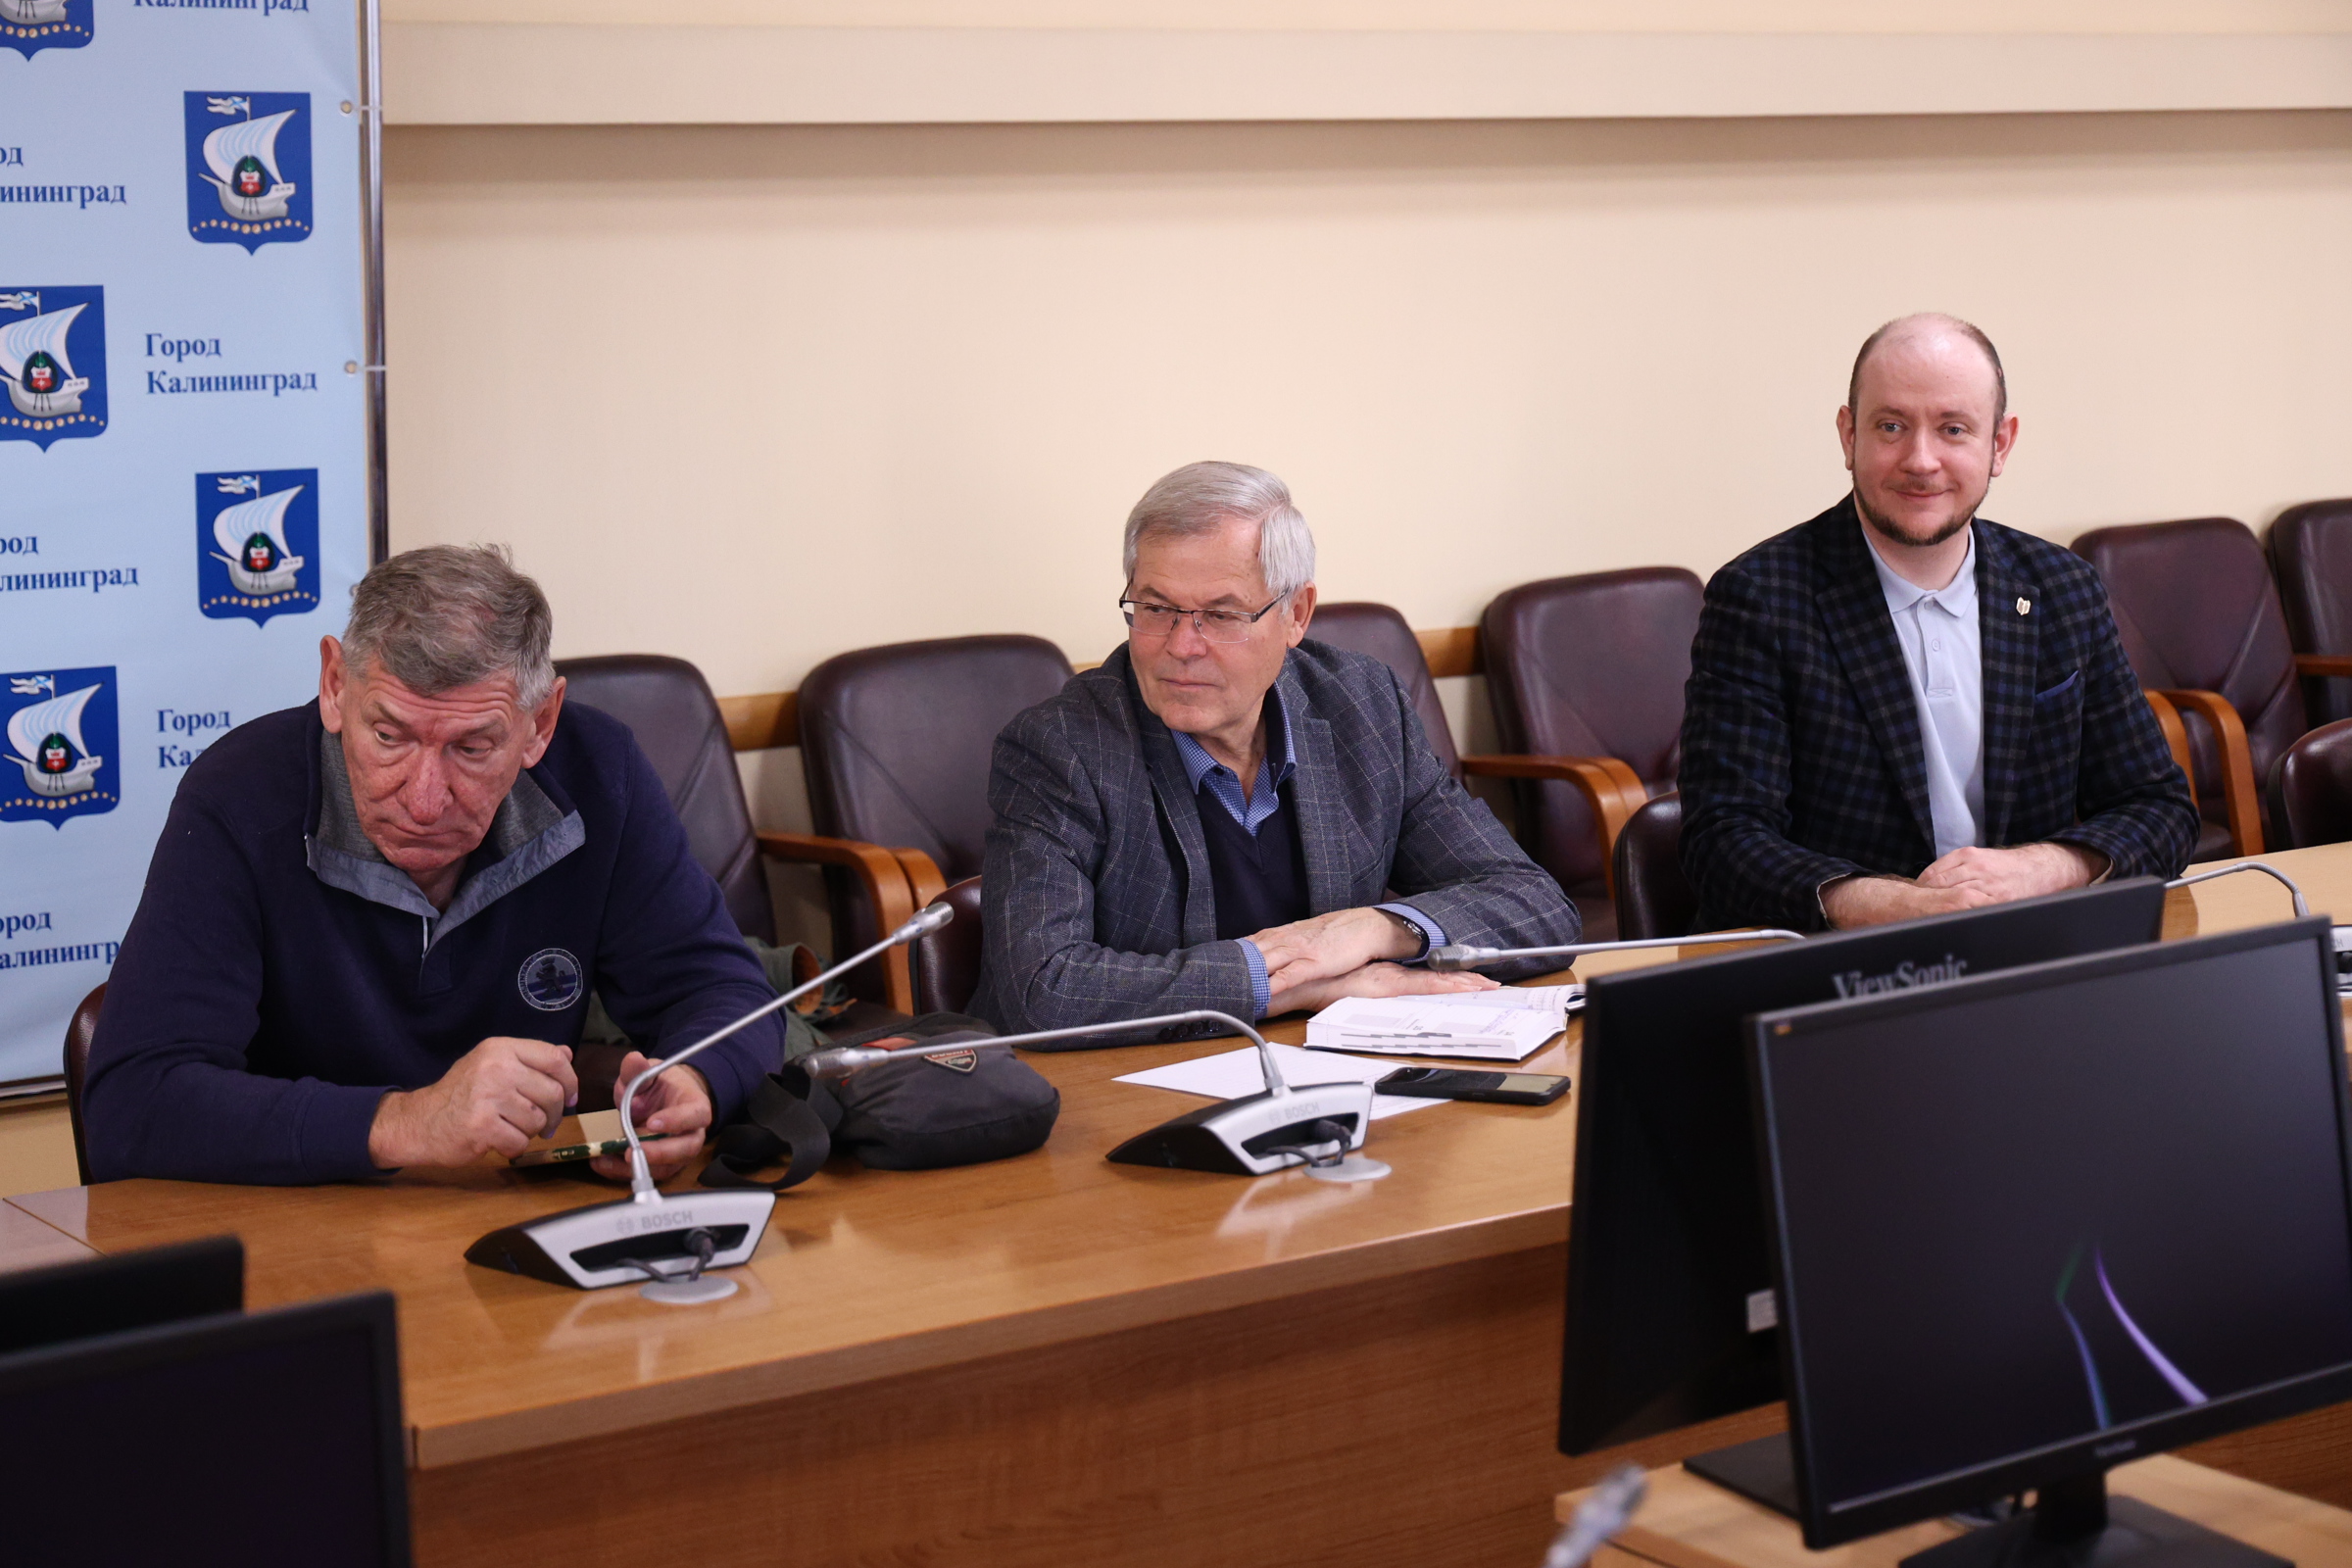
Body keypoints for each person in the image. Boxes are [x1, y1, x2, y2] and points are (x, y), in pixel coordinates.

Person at [84, 546, 786, 1184]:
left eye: (472, 748)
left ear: (539, 725)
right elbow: (133, 1104)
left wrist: (698, 1081)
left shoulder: (602, 776)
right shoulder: (239, 798)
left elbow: (722, 990)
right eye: (389, 736)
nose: (424, 801)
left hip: (514, 1214)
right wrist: (409, 1122)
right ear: (335, 684)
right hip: (296, 1228)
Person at [971, 461, 1580, 1038]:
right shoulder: (1061, 749)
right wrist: (1290, 984)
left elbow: (1535, 905)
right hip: (1133, 1083)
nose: (1182, 645)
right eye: (1156, 608)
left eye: (1222, 614)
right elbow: (1042, 990)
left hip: (1335, 1065)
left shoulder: (1363, 708)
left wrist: (1377, 929)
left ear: (1296, 615)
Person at [1679, 314, 2199, 933]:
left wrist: (2043, 869)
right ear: (1848, 435)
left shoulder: (2062, 587)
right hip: (1847, 965)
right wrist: (1893, 905)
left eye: (1953, 429)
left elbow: (2160, 808)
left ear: (1999, 444)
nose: (1921, 461)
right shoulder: (1760, 598)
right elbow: (1723, 842)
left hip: (2033, 947)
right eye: (1891, 426)